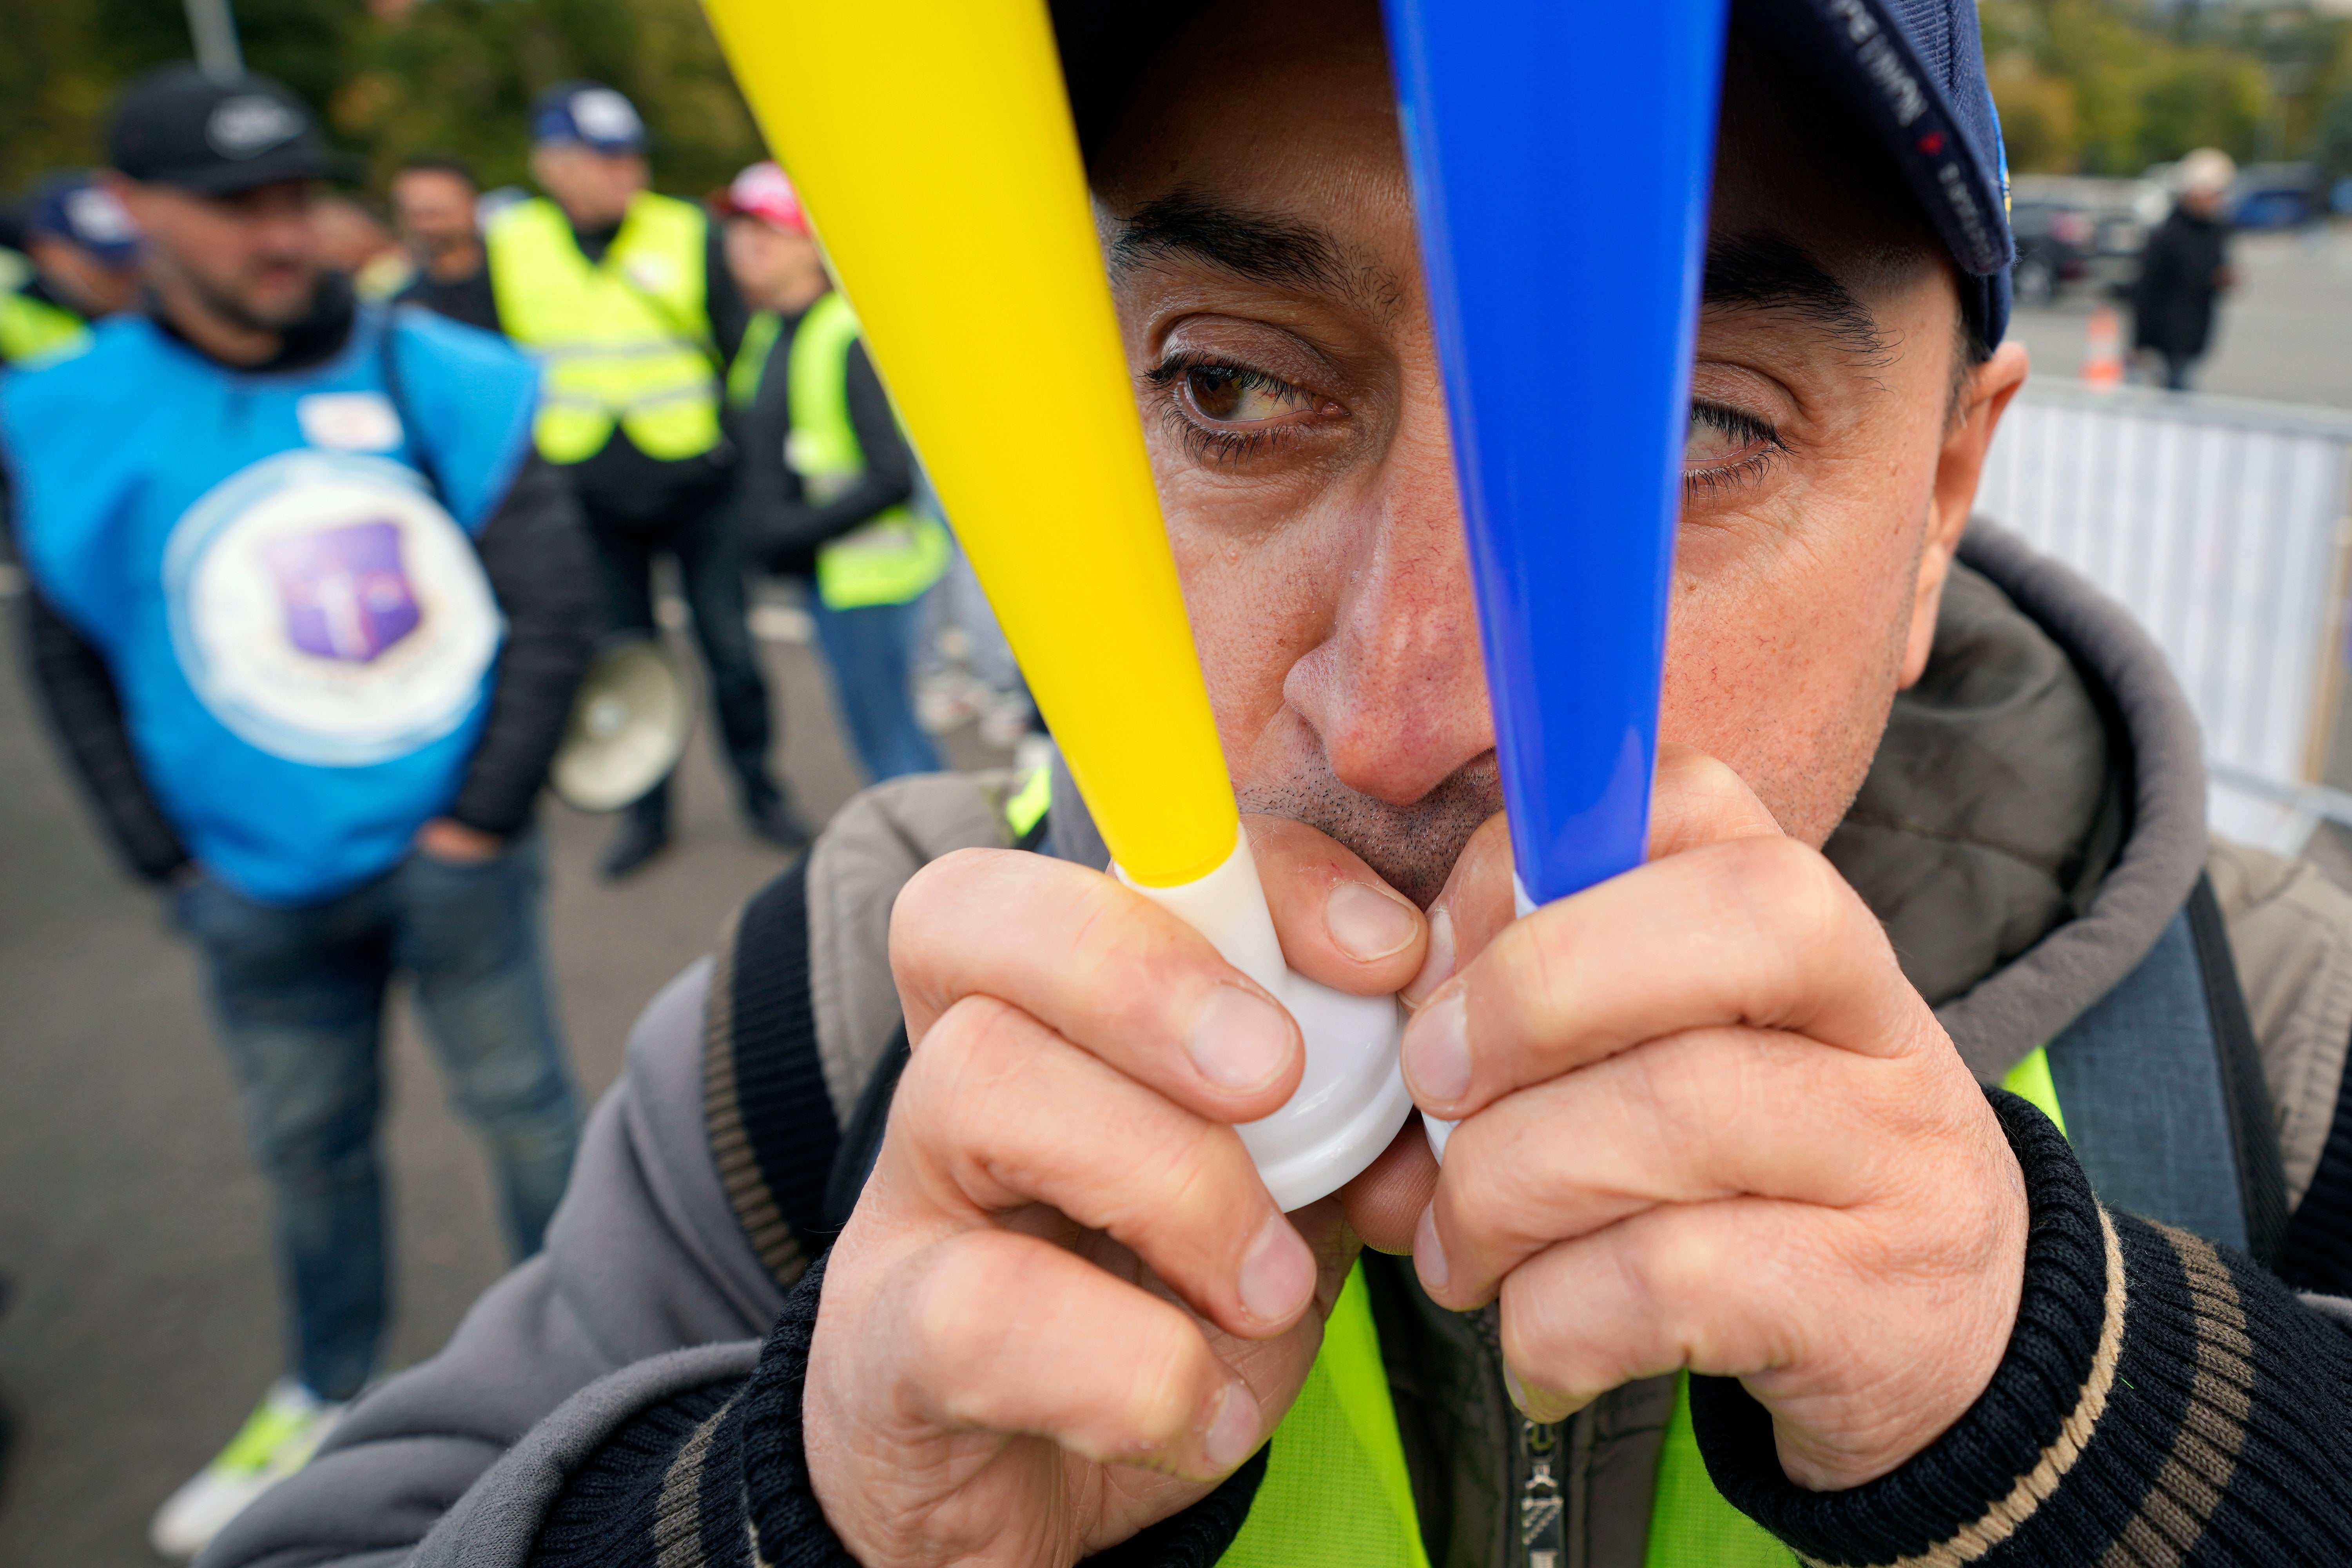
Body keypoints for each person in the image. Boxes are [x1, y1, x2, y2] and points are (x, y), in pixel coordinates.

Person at [203, 3, 2352, 1566]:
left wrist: (2125, 1413)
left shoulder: (2274, 1041)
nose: (1404, 709)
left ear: (1944, 491)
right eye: (1233, 387)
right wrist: (792, 1514)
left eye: (1680, 429)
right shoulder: (839, 1031)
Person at [0, 67, 599, 1560]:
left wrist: (476, 825)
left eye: (294, 196)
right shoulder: (64, 413)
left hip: (453, 867)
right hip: (251, 895)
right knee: (310, 1153)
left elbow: (551, 605)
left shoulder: (440, 371)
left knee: (532, 1118)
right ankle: (327, 1384)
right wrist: (167, 860)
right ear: (134, 213)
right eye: (234, 206)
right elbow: (66, 653)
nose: (283, 234)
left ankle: (600, 1374)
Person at [484, 82, 802, 877]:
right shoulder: (512, 241)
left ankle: (762, 790)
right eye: (603, 158)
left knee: (731, 650)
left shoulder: (685, 228)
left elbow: (740, 348)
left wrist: (738, 458)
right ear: (552, 165)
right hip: (588, 498)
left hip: (700, 487)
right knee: (623, 657)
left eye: (631, 155)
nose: (625, 171)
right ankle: (645, 812)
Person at [722, 161, 946, 783]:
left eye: (770, 229)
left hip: (869, 578)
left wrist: (787, 530)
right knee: (874, 738)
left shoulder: (845, 333)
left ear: (813, 243)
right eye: (740, 229)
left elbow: (891, 477)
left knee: (893, 746)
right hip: (823, 577)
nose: (749, 244)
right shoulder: (769, 331)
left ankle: (944, 863)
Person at [1, 172, 141, 364]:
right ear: (47, 253)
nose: (126, 277)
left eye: (132, 260)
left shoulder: (155, 313)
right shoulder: (9, 324)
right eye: (106, 263)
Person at [2132, 147, 2238, 392]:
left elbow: (2213, 274)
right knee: (2176, 400)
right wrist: (2140, 342)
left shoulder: (2216, 230)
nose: (2219, 201)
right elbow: (2147, 290)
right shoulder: (2169, 234)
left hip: (2197, 332)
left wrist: (2223, 279)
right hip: (2168, 336)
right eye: (2215, 194)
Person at [389, 154, 498, 333]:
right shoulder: (405, 308)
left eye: (436, 212)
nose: (428, 226)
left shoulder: (520, 276)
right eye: (415, 214)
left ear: (471, 206)